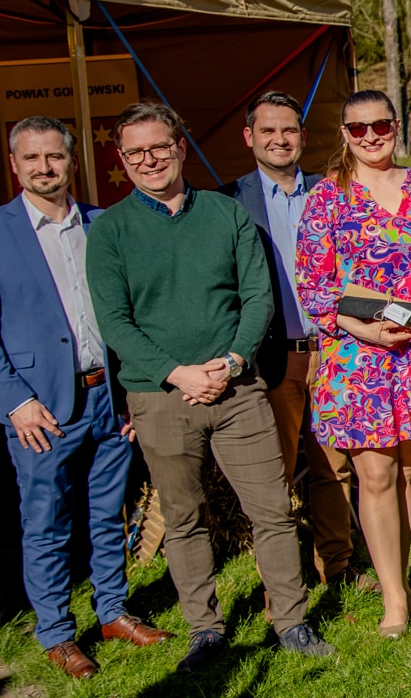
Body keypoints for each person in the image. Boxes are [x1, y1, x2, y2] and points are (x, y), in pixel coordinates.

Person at [87, 101, 333, 668]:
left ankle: (291, 622)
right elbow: (115, 321)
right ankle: (206, 631)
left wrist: (230, 361)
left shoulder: (226, 214)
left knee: (271, 509)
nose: (150, 160)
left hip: (238, 389)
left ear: (180, 146)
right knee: (183, 517)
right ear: (123, 160)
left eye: (159, 147)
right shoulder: (111, 232)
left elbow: (258, 297)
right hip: (161, 395)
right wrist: (178, 372)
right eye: (136, 152)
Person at [0, 116, 168, 679]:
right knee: (46, 521)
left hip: (107, 398)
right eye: (32, 159)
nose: (44, 168)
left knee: (107, 514)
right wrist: (15, 401)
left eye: (55, 157)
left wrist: (133, 393)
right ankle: (56, 632)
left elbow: (131, 311)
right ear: (14, 164)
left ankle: (113, 611)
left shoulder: (104, 224)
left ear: (73, 162)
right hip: (40, 407)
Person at [294, 91, 411, 638]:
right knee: (374, 472)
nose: (371, 136)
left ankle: (404, 580)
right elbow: (313, 286)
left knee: (407, 471)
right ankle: (393, 597)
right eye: (358, 128)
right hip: (359, 358)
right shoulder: (327, 199)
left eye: (381, 125)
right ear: (344, 134)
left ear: (396, 125)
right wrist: (361, 327)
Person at [229, 90, 355, 586]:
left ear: (303, 136)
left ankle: (338, 567)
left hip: (332, 351)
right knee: (272, 478)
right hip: (272, 359)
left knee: (333, 468)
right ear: (249, 138)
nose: (279, 140)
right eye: (268, 131)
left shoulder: (334, 192)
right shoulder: (230, 201)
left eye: (288, 130)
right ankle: (282, 585)